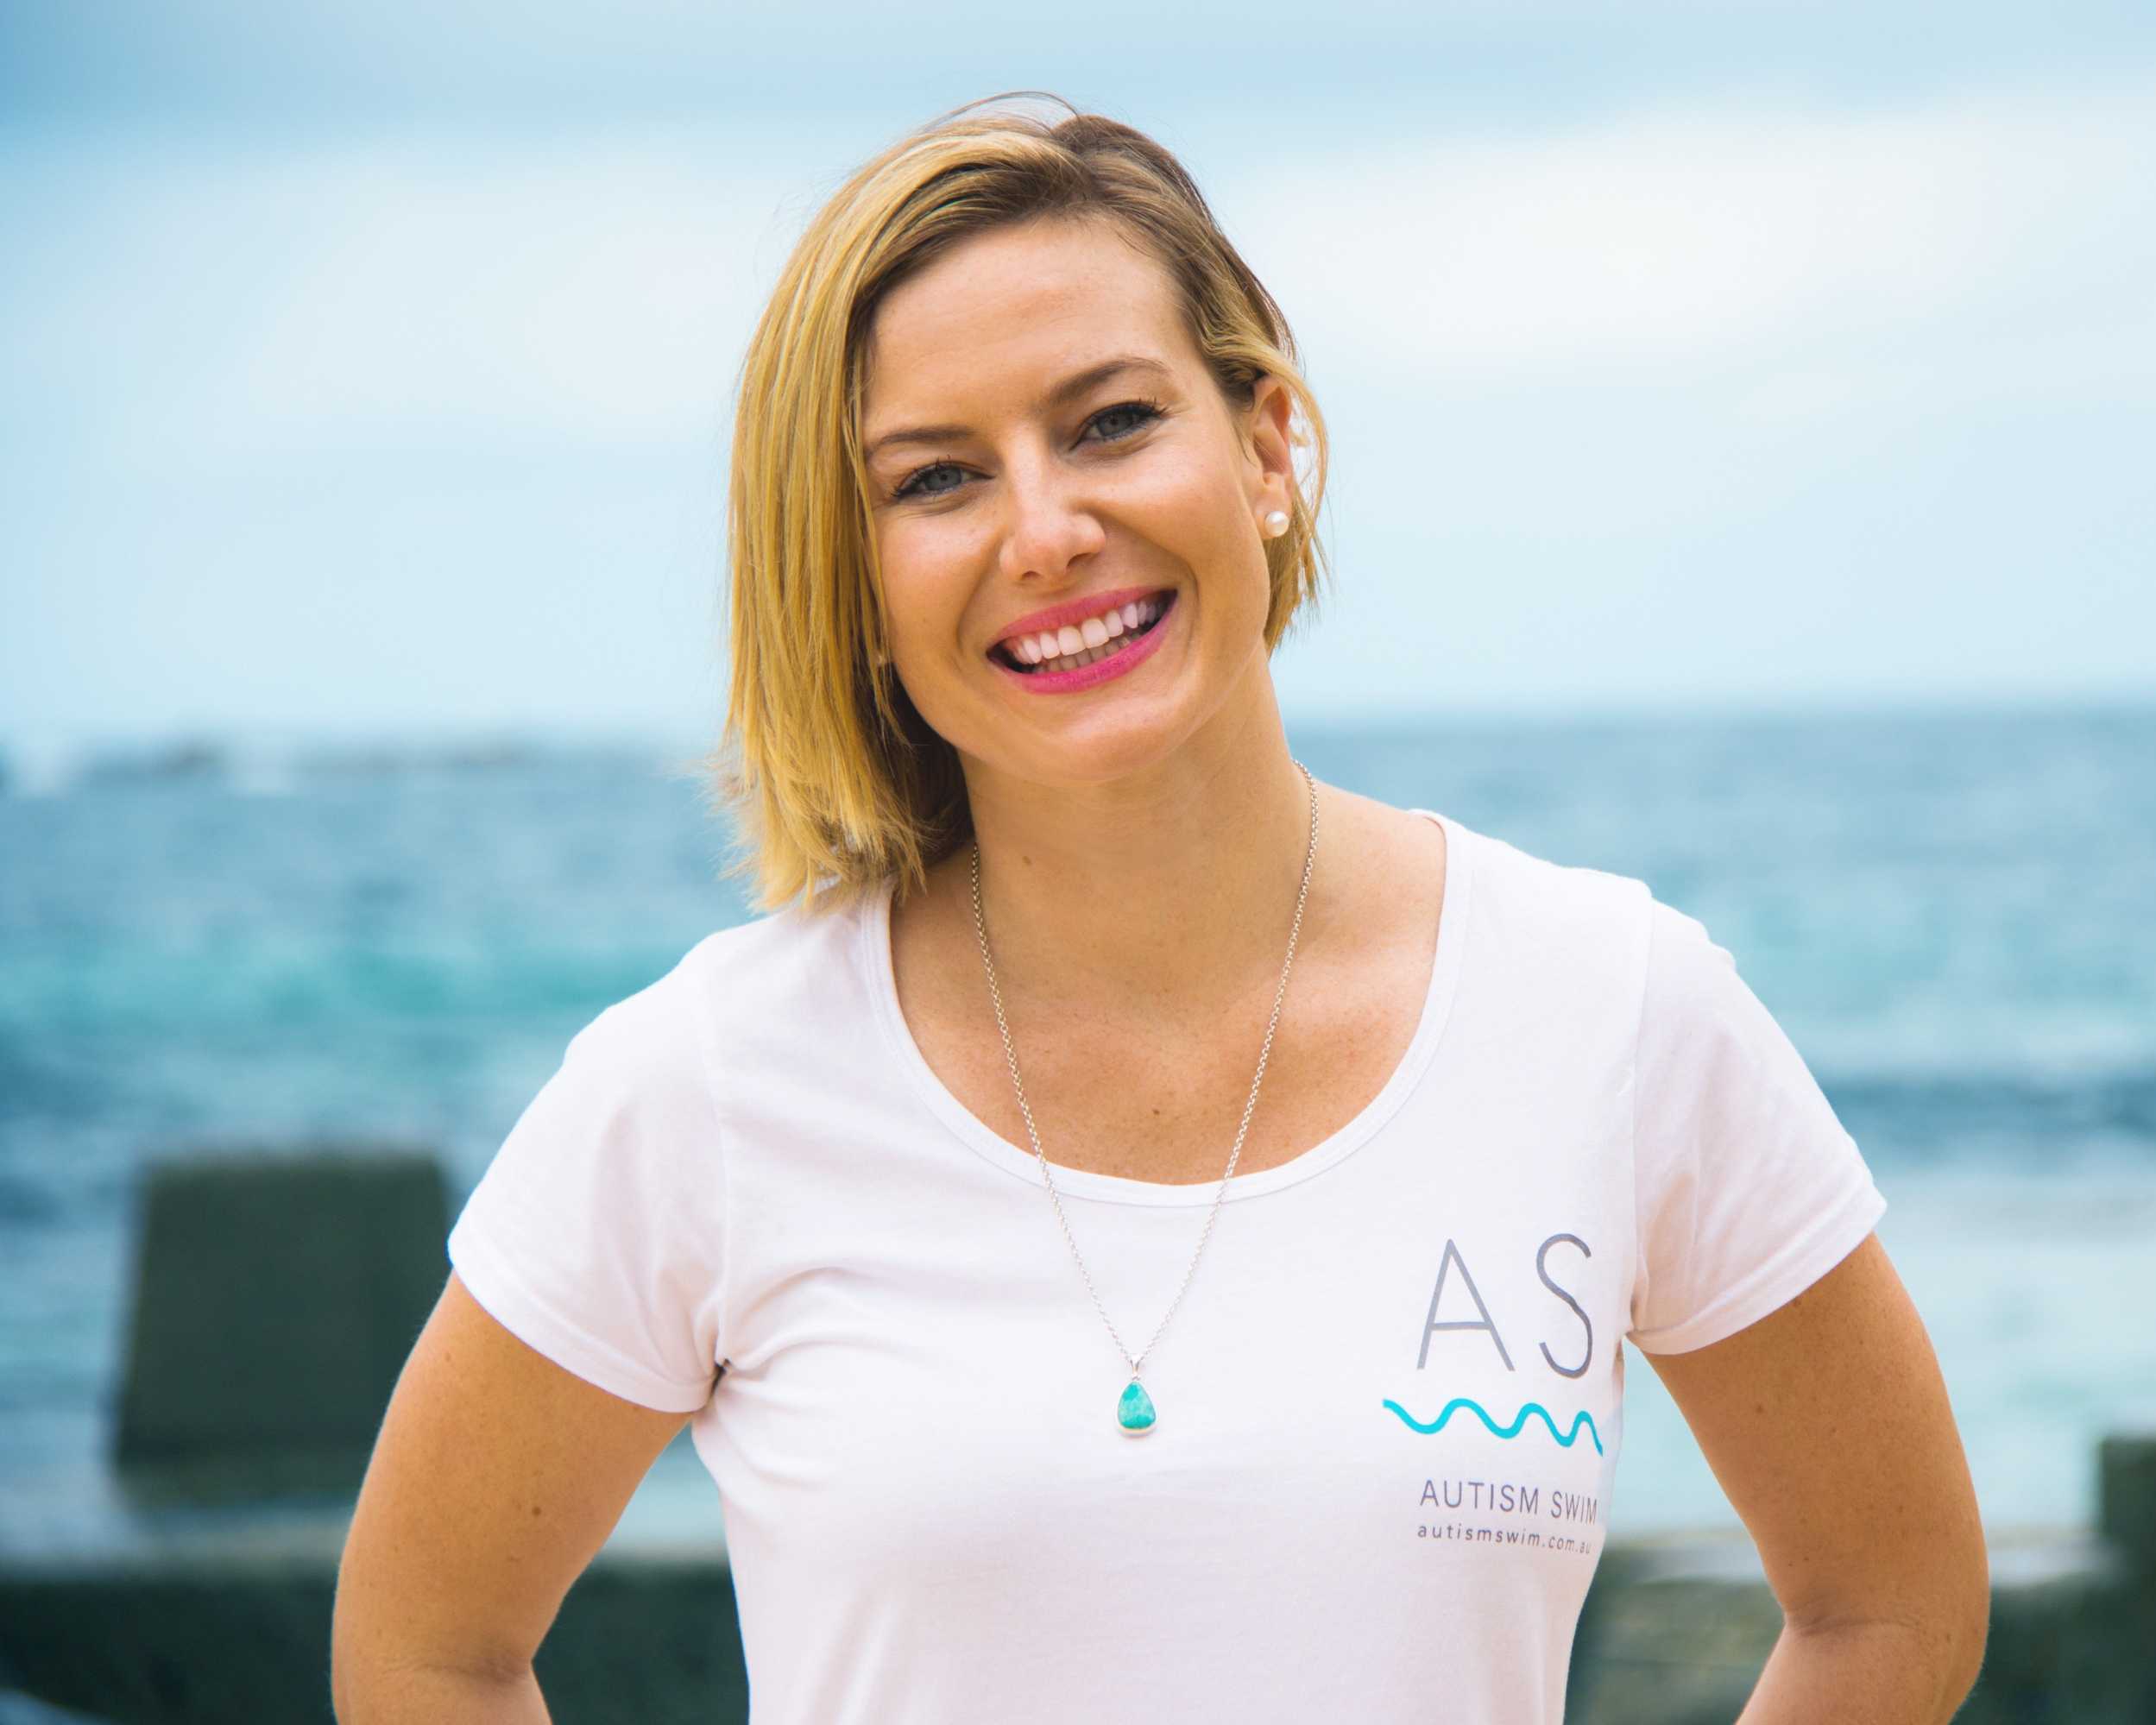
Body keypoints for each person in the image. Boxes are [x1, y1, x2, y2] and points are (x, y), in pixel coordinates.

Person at [332, 92, 1988, 1724]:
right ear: (852, 572)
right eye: (935, 480)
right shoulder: (704, 1083)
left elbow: (1893, 1603)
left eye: (1113, 421)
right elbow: (424, 1652)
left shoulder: (1611, 1006)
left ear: (1267, 445)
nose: (1048, 532)